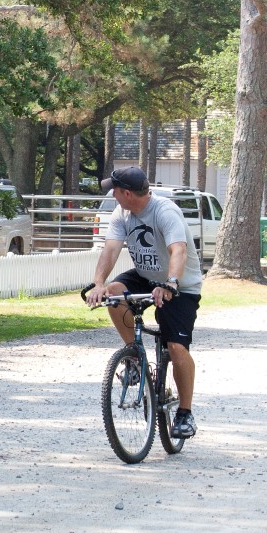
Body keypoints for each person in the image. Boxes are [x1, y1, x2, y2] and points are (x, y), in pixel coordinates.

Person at [86, 166, 201, 439]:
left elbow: (179, 250)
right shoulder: (122, 213)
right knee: (114, 293)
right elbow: (111, 249)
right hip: (146, 276)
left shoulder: (164, 211)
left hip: (180, 284)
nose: (111, 194)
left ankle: (185, 413)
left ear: (127, 192)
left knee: (175, 347)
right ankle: (134, 357)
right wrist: (99, 284)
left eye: (114, 190)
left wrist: (171, 282)